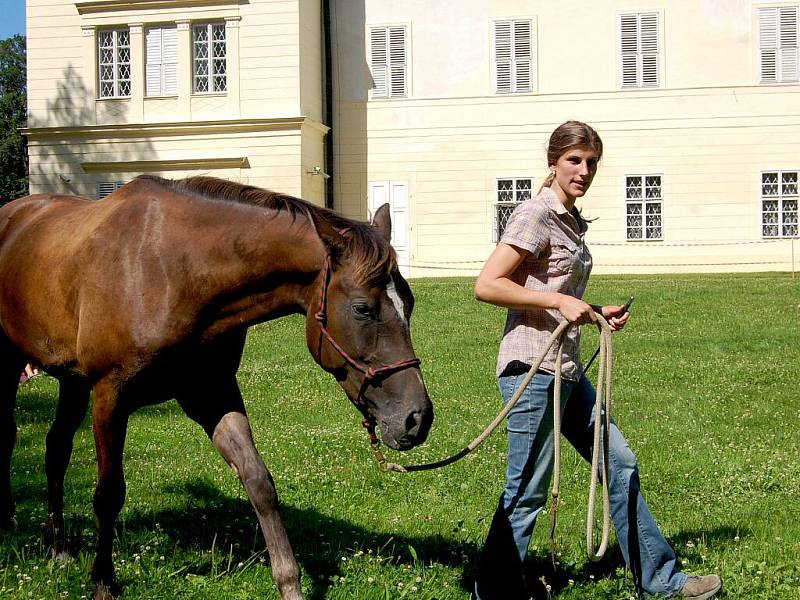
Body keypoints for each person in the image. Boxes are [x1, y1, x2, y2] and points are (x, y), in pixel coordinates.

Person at [472, 121, 722, 600]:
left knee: (620, 464)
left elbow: (554, 288)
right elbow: (487, 284)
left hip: (567, 370)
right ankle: (493, 592)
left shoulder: (569, 219)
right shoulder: (534, 214)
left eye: (591, 163)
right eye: (574, 161)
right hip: (532, 371)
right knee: (526, 492)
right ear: (554, 163)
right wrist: (558, 304)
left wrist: (591, 311)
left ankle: (662, 582)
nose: (584, 171)